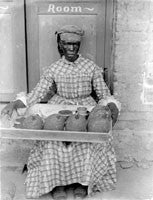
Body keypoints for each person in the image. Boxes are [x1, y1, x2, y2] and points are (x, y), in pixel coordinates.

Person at [1, 25, 121, 200]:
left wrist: (111, 105)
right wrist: (17, 102)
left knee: (86, 142)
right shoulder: (54, 68)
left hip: (84, 108)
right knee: (54, 142)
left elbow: (103, 93)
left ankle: (80, 183)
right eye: (67, 44)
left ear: (79, 45)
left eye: (75, 44)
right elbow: (37, 93)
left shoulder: (91, 67)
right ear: (60, 45)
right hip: (59, 107)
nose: (71, 48)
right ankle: (57, 185)